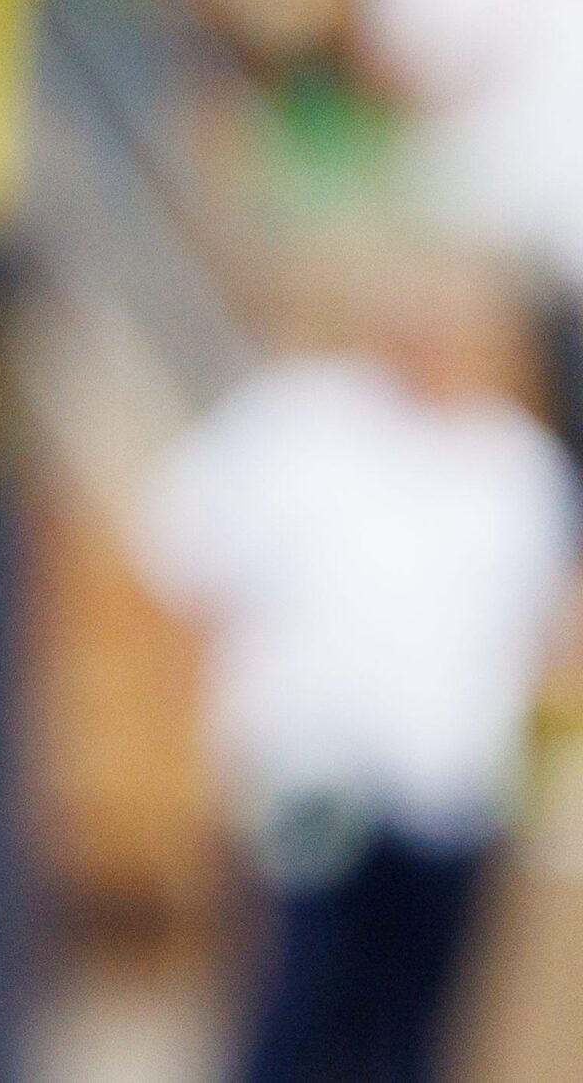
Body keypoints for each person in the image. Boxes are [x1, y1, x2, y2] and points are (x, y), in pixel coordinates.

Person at [137, 243, 578, 1083]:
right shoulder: (298, 426)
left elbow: (551, 642)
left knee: (414, 1022)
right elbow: (185, 553)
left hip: (451, 788)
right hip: (312, 777)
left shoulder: (515, 469)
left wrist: (547, 785)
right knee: (295, 998)